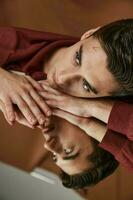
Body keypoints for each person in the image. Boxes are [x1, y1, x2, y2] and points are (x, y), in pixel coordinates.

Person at [0, 18, 132, 189]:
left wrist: (88, 111)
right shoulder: (13, 44)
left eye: (86, 86)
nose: (63, 77)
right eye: (77, 58)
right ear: (89, 34)